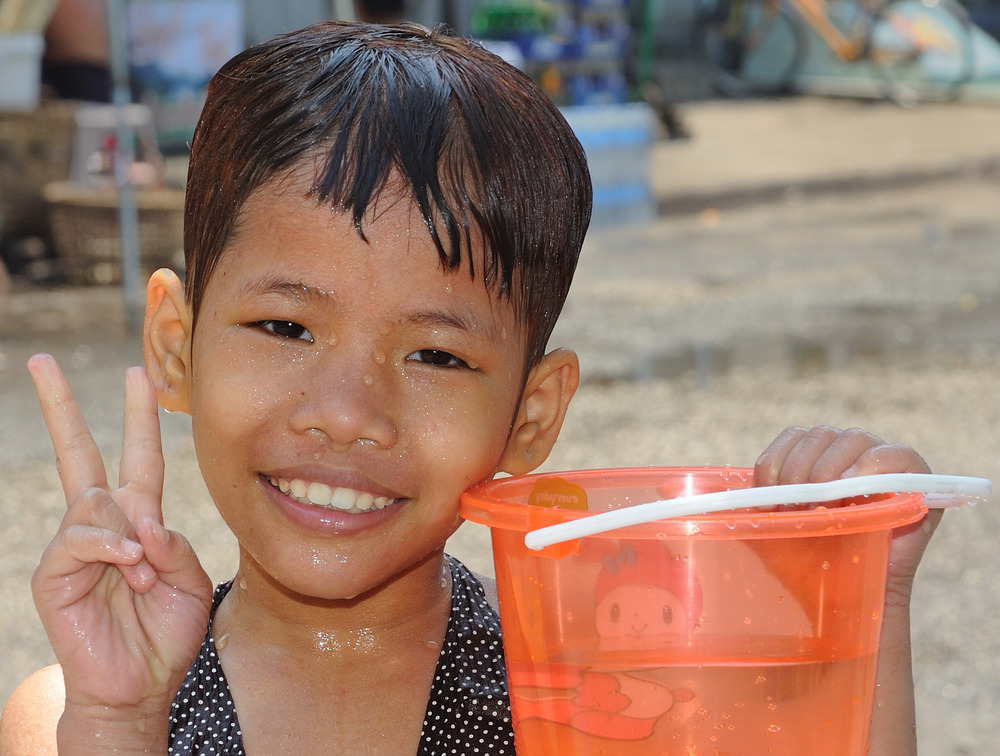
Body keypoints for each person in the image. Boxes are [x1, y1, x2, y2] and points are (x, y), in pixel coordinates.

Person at [0, 21, 938, 755]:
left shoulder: (603, 707)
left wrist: (870, 597)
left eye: (436, 357)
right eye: (285, 327)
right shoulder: (80, 712)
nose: (346, 413)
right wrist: (121, 730)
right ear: (176, 346)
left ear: (531, 415)